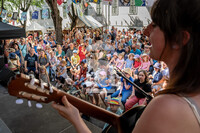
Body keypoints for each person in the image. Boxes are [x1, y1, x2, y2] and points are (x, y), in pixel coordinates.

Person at [52, 1, 200, 132]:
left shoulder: (166, 107)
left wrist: (76, 120)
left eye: (154, 25)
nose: (145, 31)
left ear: (179, 38)